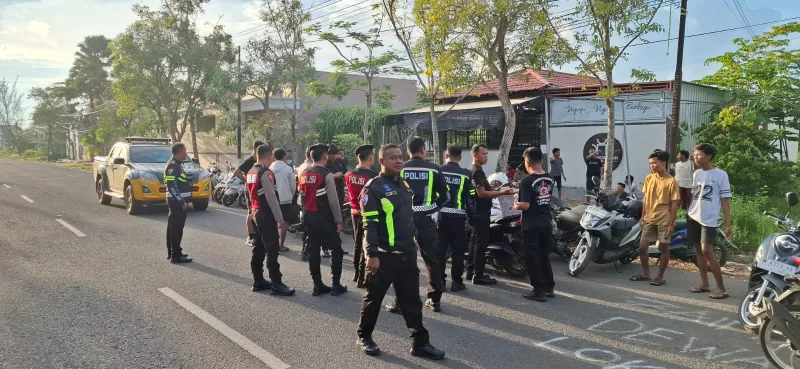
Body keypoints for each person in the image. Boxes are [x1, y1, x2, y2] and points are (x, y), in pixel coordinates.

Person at [356, 144, 446, 360]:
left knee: (412, 301)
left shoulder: (405, 185)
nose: (398, 161)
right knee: (373, 299)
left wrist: (413, 239)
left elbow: (407, 217)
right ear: (381, 161)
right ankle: (364, 337)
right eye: (393, 158)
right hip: (383, 256)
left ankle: (420, 343)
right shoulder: (373, 188)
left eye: (399, 157)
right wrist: (372, 255)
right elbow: (369, 224)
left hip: (406, 254)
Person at [387, 137, 448, 313]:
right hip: (426, 219)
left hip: (402, 220)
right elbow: (445, 197)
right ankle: (434, 300)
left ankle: (401, 302)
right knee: (432, 259)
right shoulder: (435, 169)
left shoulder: (400, 168)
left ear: (408, 151)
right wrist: (433, 208)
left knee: (403, 259)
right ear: (423, 151)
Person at [246, 144, 296, 296]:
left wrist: (251, 210)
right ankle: (276, 283)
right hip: (266, 214)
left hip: (255, 212)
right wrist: (280, 219)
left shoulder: (251, 171)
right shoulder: (265, 172)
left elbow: (247, 193)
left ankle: (258, 280)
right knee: (272, 249)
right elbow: (271, 197)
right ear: (269, 157)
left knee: (258, 247)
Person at [298, 143, 347, 296]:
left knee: (313, 250)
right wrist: (339, 221)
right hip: (325, 218)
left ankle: (317, 285)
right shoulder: (326, 174)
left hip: (309, 217)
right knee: (336, 249)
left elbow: (301, 196)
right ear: (325, 157)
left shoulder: (303, 173)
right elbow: (333, 201)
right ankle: (336, 284)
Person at [466, 144, 515, 285]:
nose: (486, 156)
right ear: (475, 155)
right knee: (481, 244)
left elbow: (482, 190)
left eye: (487, 153)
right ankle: (478, 275)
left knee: (474, 242)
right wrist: (501, 192)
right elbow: (481, 194)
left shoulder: (474, 170)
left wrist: (495, 189)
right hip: (481, 213)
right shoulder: (477, 172)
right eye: (483, 154)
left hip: (477, 212)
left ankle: (470, 271)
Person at [630, 149, 681, 286]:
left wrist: (671, 224)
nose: (652, 166)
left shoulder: (672, 181)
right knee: (642, 247)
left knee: (663, 248)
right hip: (649, 218)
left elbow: (675, 204)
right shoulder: (649, 178)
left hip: (664, 218)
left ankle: (660, 276)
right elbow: (645, 199)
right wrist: (642, 216)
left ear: (663, 163)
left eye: (654, 163)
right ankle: (645, 273)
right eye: (650, 163)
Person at [688, 143, 731, 299]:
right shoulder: (697, 174)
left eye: (699, 154)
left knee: (707, 250)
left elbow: (725, 201)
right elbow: (694, 195)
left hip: (709, 219)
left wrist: (728, 224)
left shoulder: (721, 175)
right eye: (695, 154)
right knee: (699, 251)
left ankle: (721, 288)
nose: (696, 157)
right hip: (694, 216)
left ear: (709, 156)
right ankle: (704, 284)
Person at [514, 147, 555, 302]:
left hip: (531, 224)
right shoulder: (550, 178)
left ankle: (538, 291)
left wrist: (516, 205)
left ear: (527, 162)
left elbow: (525, 205)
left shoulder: (526, 181)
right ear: (541, 161)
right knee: (544, 256)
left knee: (532, 257)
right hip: (546, 222)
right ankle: (549, 287)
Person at [438, 146, 475, 293]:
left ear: (446, 155)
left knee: (440, 250)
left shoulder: (438, 171)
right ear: (460, 157)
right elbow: (470, 199)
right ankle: (456, 282)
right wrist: (472, 219)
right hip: (458, 218)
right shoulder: (466, 174)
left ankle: (440, 281)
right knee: (457, 251)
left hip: (440, 217)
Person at [345, 144, 377, 289]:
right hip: (367, 214)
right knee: (367, 243)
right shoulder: (373, 177)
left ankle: (356, 273)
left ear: (358, 158)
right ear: (371, 158)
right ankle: (363, 277)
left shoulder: (348, 174)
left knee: (357, 243)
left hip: (354, 212)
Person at [164, 143, 192, 264]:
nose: (186, 154)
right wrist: (182, 202)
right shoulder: (172, 166)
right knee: (176, 228)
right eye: (184, 151)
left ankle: (173, 252)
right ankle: (175, 255)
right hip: (177, 202)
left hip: (177, 201)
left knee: (173, 227)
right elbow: (171, 186)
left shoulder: (177, 164)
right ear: (179, 152)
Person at [234, 141, 266, 247]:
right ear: (256, 149)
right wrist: (247, 181)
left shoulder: (257, 161)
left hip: (257, 189)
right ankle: (250, 237)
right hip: (250, 189)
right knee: (250, 211)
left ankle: (257, 234)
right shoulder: (249, 161)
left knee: (256, 210)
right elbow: (236, 172)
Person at [324, 143, 348, 258]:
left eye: (335, 154)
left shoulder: (338, 162)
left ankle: (337, 246)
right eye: (332, 154)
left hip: (339, 194)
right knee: (327, 222)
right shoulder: (324, 165)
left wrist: (343, 175)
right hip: (329, 197)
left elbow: (345, 171)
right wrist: (334, 176)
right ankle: (324, 248)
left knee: (338, 223)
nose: (334, 156)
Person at [270, 149, 296, 252]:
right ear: (284, 157)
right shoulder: (288, 169)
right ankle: (281, 245)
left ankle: (273, 244)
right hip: (285, 199)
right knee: (284, 223)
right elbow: (293, 185)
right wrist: (290, 195)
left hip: (273, 199)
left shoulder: (269, 168)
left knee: (273, 222)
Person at [296, 147, 314, 261]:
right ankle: (306, 251)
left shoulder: (302, 166)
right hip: (309, 198)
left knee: (306, 225)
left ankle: (306, 250)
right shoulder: (309, 168)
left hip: (303, 197)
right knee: (309, 227)